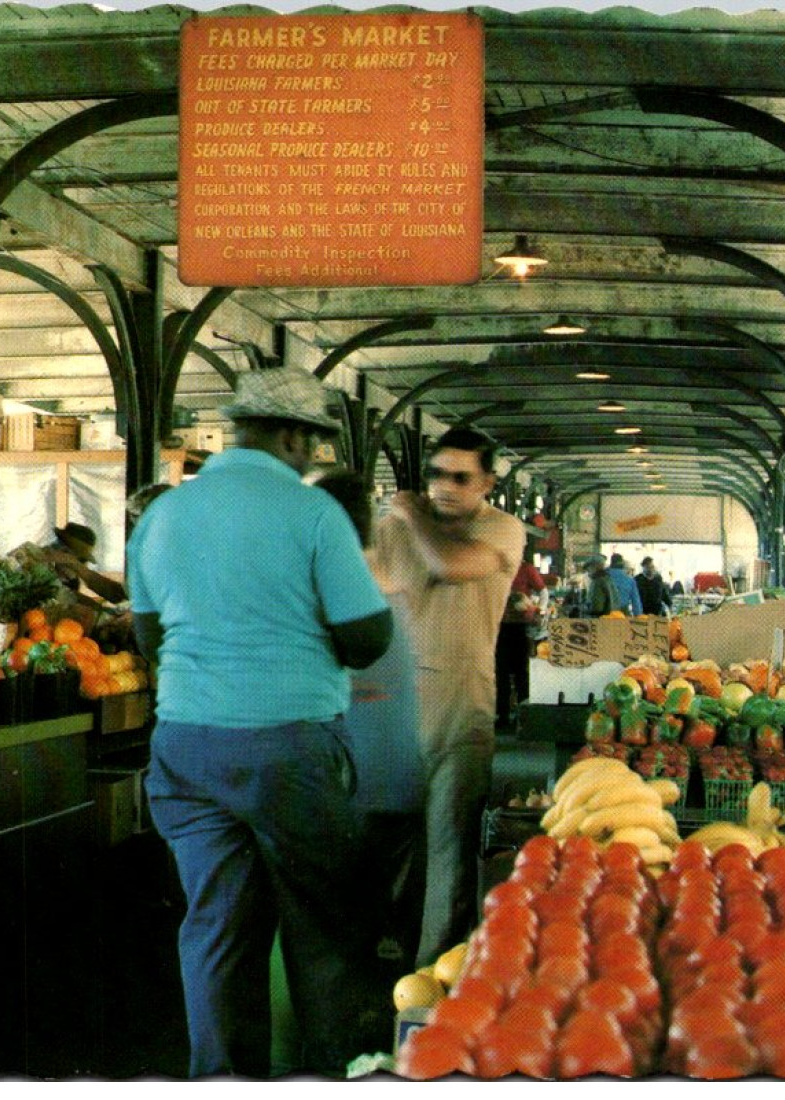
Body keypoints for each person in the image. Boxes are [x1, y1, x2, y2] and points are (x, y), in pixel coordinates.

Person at [129, 367, 393, 1077]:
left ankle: (221, 1081)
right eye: (313, 444)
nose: (315, 459)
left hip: (183, 748)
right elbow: (366, 637)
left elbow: (147, 638)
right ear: (289, 436)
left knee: (216, 928)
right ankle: (332, 1074)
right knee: (324, 929)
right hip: (288, 745)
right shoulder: (311, 514)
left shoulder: (163, 514)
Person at [370, 427, 525, 968]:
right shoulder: (394, 528)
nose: (445, 487)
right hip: (392, 708)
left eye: (461, 477)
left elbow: (450, 565)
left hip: (462, 708)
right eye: (437, 474)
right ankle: (387, 946)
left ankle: (433, 972)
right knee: (388, 841)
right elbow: (363, 583)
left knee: (448, 847)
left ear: (486, 482)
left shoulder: (501, 531)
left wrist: (410, 517)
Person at [309, 468, 427, 974]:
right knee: (390, 846)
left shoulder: (331, 578)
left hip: (353, 741)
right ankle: (388, 936)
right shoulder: (396, 572)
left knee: (344, 853)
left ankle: (352, 948)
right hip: (400, 738)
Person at [495, 555, 547, 725]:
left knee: (521, 674)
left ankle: (523, 717)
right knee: (501, 673)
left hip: (521, 627)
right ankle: (502, 715)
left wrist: (540, 609)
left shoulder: (526, 569)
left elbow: (543, 591)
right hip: (499, 626)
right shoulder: (494, 567)